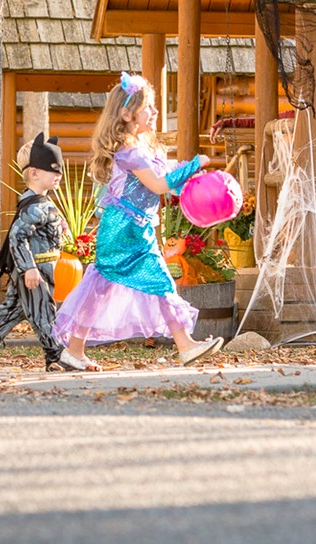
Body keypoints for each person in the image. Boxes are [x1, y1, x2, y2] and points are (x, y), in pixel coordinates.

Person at [53, 72, 224, 368]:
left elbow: (167, 183)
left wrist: (191, 180)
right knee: (153, 281)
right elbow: (158, 185)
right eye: (149, 107)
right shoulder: (130, 153)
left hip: (136, 228)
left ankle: (75, 349)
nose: (155, 112)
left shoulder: (145, 151)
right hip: (123, 230)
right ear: (127, 114)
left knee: (104, 285)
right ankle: (184, 345)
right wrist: (194, 164)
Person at [0, 132, 76, 374]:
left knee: (11, 311)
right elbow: (17, 237)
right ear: (34, 173)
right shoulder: (35, 206)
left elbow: (39, 231)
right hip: (34, 270)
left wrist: (60, 226)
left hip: (39, 269)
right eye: (53, 170)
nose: (59, 175)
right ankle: (57, 357)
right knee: (43, 314)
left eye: (60, 170)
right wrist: (28, 268)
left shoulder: (41, 202)